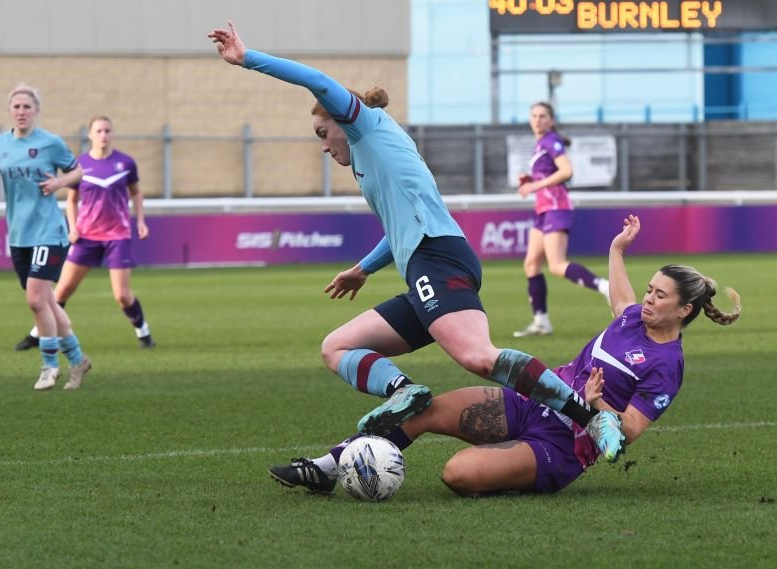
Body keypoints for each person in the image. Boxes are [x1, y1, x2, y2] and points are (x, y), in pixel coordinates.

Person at [208, 20, 625, 460]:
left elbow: (316, 80)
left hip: (437, 258)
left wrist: (246, 58)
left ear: (339, 119)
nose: (323, 146)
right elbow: (399, 231)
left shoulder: (364, 126)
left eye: (322, 134)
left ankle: (594, 416)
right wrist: (363, 269)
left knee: (479, 357)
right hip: (425, 265)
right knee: (337, 347)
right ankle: (404, 390)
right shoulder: (370, 159)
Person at [269, 215, 741, 496]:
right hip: (532, 402)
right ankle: (329, 467)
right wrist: (618, 249)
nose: (649, 299)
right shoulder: (634, 317)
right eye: (650, 290)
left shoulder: (667, 366)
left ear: (685, 310)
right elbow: (619, 298)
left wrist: (597, 403)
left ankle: (508, 463)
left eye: (660, 296)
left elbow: (629, 435)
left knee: (457, 475)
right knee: (426, 410)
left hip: (562, 447)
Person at [0, 84, 93, 390]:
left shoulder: (50, 143)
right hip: (19, 235)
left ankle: (49, 365)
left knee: (35, 301)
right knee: (48, 302)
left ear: (36, 110)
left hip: (49, 232)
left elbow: (78, 172)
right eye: (16, 107)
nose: (21, 112)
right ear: (9, 111)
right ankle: (79, 360)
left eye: (27, 107)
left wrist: (59, 183)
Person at [13, 115, 156, 351]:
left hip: (117, 236)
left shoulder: (126, 163)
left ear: (113, 134)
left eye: (107, 130)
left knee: (122, 295)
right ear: (90, 135)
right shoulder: (80, 166)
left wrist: (141, 221)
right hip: (86, 237)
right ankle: (37, 333)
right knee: (62, 290)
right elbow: (72, 201)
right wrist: (74, 227)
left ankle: (144, 332)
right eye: (99, 131)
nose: (104, 135)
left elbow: (136, 193)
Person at [513, 101, 610, 338]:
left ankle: (605, 286)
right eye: (534, 115)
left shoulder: (550, 141)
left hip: (556, 207)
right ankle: (541, 321)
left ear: (551, 120)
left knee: (556, 264)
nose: (537, 119)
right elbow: (549, 173)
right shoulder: (540, 144)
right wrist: (530, 179)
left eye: (543, 115)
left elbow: (566, 171)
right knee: (531, 264)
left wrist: (536, 184)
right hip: (544, 209)